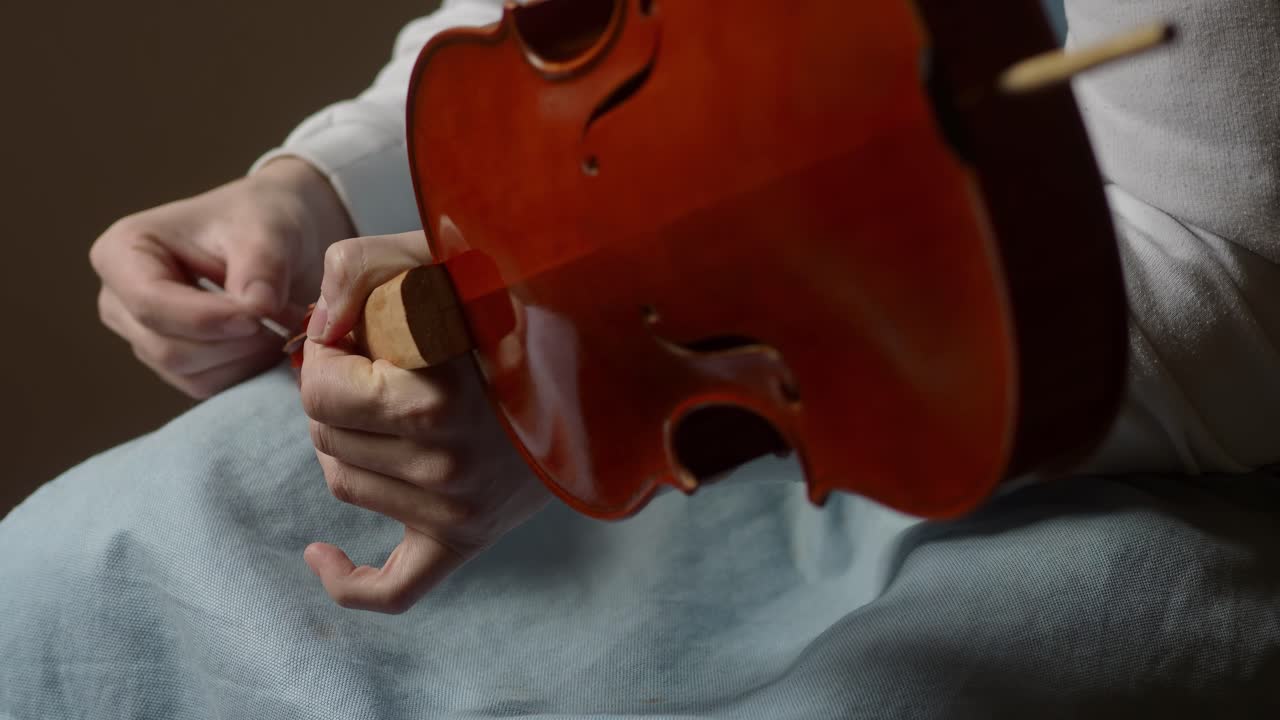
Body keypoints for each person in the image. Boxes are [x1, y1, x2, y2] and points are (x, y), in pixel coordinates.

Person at [2, 0, 1277, 717]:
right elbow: (570, 32)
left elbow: (1232, 298)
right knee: (72, 568)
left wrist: (603, 374)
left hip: (1093, 461)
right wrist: (315, 186)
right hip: (648, 371)